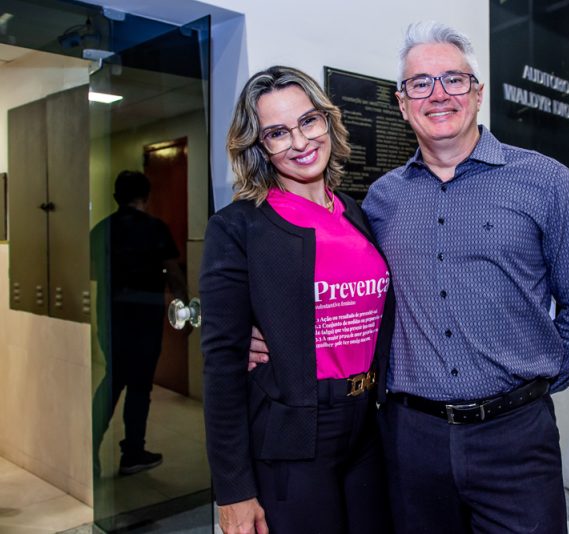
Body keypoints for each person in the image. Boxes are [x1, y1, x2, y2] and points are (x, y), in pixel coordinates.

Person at [362, 22, 569, 533]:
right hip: (412, 439)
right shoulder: (381, 200)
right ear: (402, 103)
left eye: (453, 79)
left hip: (516, 438)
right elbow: (357, 301)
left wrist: (530, 385)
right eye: (420, 83)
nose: (438, 95)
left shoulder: (548, 182)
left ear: (477, 94)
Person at [201, 66, 393, 534]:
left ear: (327, 121)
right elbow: (222, 365)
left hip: (367, 425)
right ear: (258, 145)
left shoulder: (358, 213)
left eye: (309, 121)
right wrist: (233, 490)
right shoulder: (238, 227)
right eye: (277, 133)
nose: (300, 142)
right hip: (291, 437)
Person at [91, 170, 186, 476]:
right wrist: (185, 311)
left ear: (116, 196)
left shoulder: (101, 229)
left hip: (111, 313)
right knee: (139, 385)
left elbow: (94, 273)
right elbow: (173, 273)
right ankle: (133, 452)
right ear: (146, 196)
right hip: (144, 316)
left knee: (113, 380)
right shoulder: (155, 229)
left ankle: (89, 450)